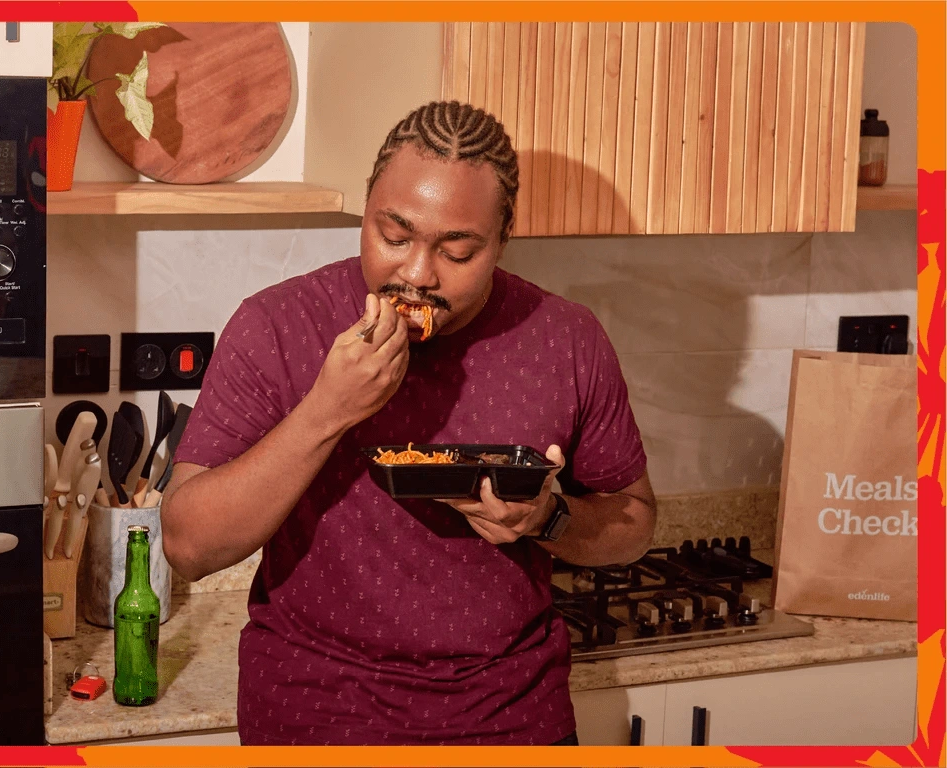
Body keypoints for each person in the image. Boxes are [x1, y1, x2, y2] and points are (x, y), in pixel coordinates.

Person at [162, 100, 657, 746]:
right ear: (367, 206)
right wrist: (327, 411)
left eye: (458, 251)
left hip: (512, 719)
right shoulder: (278, 326)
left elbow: (635, 524)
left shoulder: (566, 340)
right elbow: (188, 546)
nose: (417, 274)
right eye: (394, 237)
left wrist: (547, 518)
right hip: (312, 715)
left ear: (503, 238)